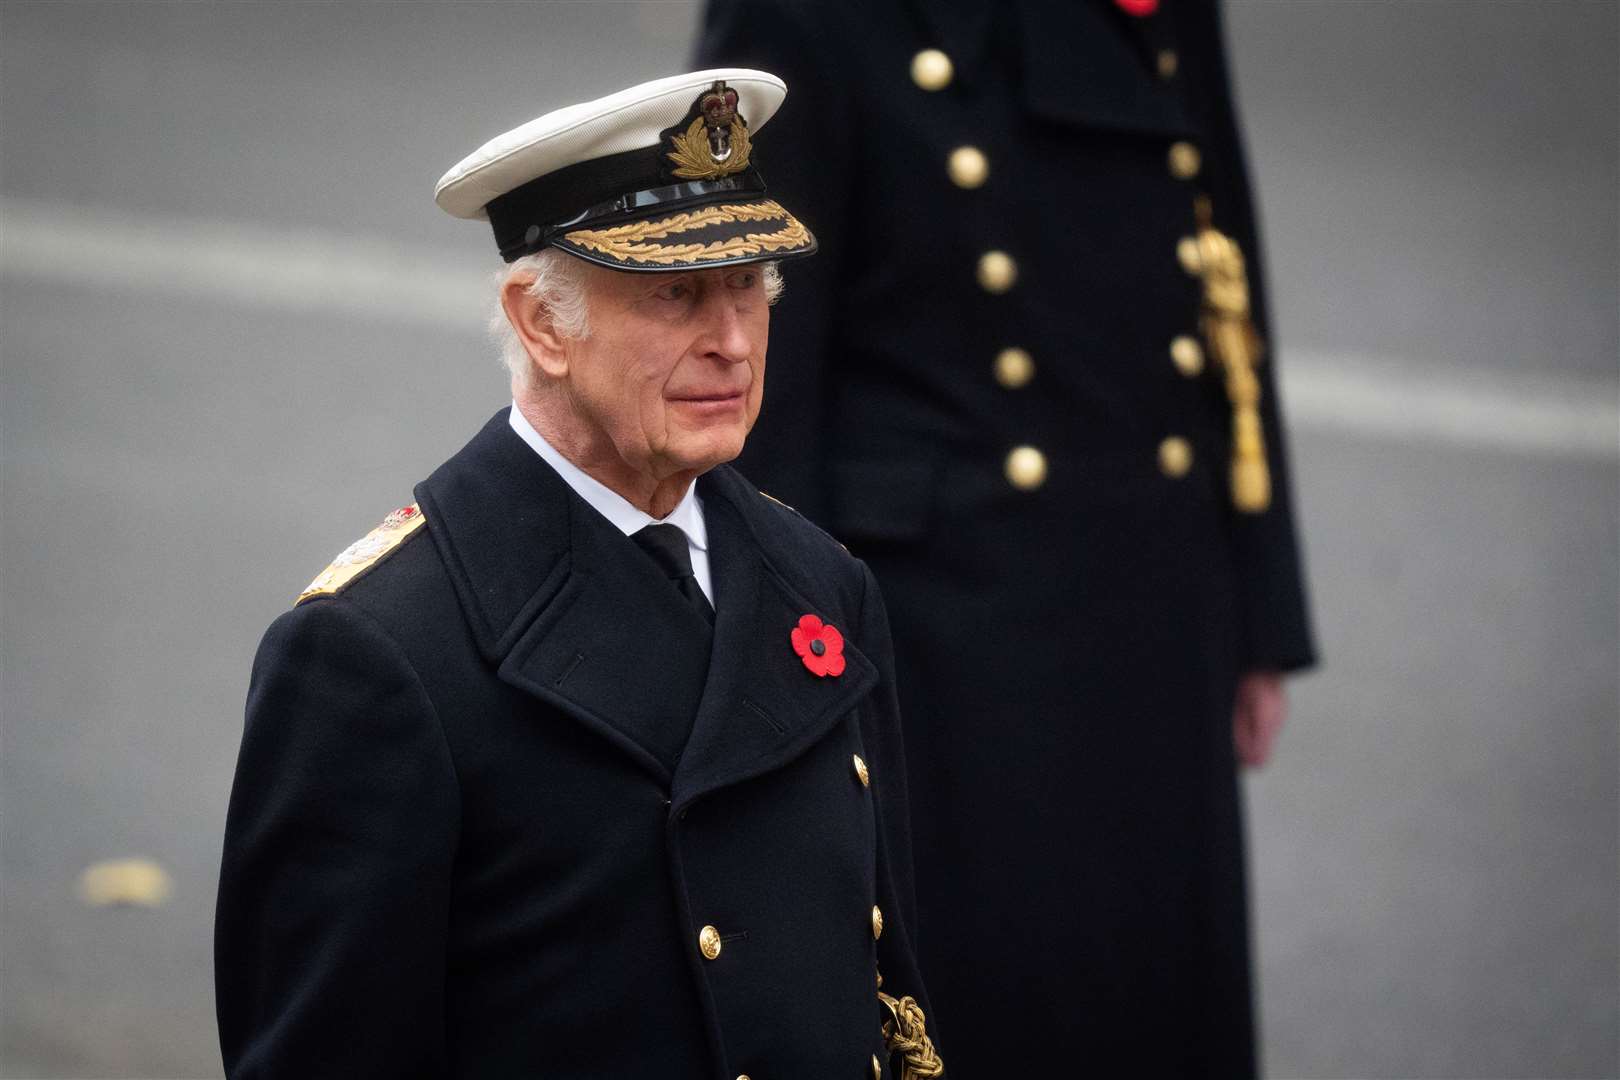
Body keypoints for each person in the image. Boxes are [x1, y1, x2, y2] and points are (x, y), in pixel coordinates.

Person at [214, 69, 942, 1080]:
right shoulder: (377, 652)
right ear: (541, 323)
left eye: (748, 286)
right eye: (677, 294)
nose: (731, 341)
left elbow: (889, 995)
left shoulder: (823, 583)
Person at [696, 1, 1317, 1075]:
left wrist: (1261, 603)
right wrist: (773, 679)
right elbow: (754, 357)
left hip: (1160, 590)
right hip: (937, 633)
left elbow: (1219, 271)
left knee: (1159, 1002)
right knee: (982, 1014)